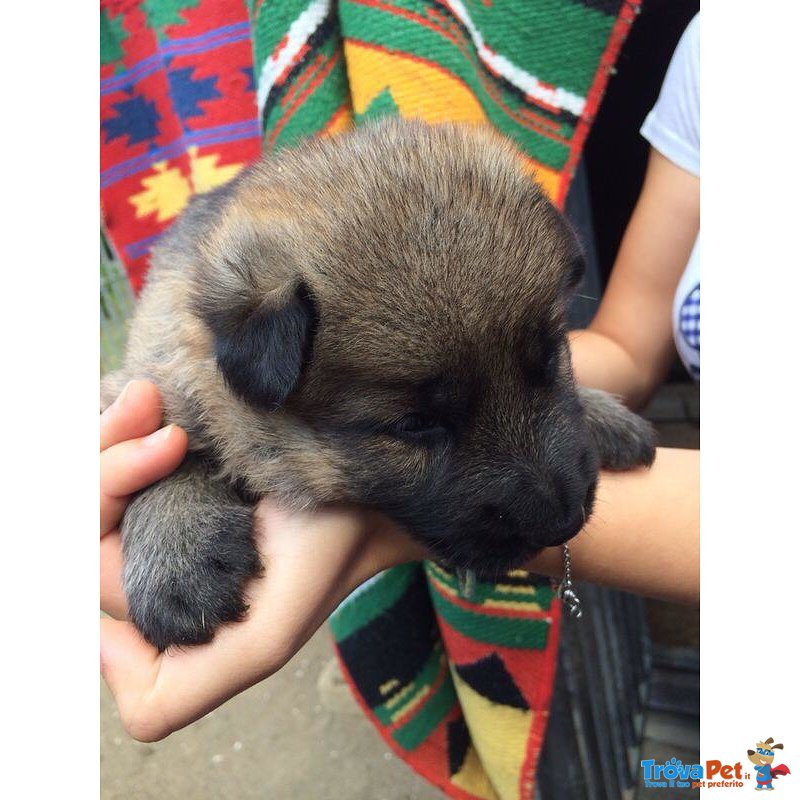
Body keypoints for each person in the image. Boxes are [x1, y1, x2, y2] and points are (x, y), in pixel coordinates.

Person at [100, 15, 700, 744]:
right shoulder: (237, 326)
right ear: (255, 376)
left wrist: (556, 399)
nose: (555, 505)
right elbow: (157, 425)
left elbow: (494, 377)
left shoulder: (488, 212)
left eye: (546, 361)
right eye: (421, 424)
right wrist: (167, 494)